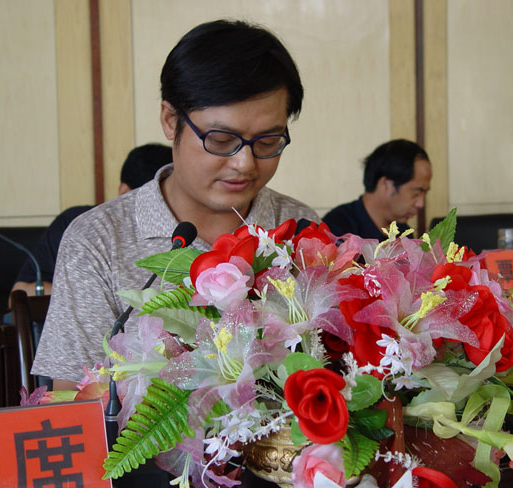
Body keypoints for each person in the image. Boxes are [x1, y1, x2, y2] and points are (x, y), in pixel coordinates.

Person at [32, 20, 319, 390]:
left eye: (267, 142)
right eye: (221, 139)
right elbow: (74, 397)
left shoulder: (298, 225)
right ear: (170, 121)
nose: (244, 163)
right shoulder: (98, 240)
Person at [11, 143, 173, 297]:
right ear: (124, 192)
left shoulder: (180, 231)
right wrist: (105, 296)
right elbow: (20, 292)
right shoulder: (80, 226)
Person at [322, 139, 432, 240]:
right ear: (386, 184)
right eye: (416, 193)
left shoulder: (403, 233)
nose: (420, 204)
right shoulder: (337, 228)